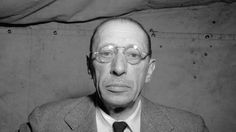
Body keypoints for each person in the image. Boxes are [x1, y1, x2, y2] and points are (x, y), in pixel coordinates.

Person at [19, 17, 209, 132]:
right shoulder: (43, 124)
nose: (118, 68)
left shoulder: (191, 127)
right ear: (89, 67)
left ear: (149, 70)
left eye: (133, 55)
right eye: (106, 53)